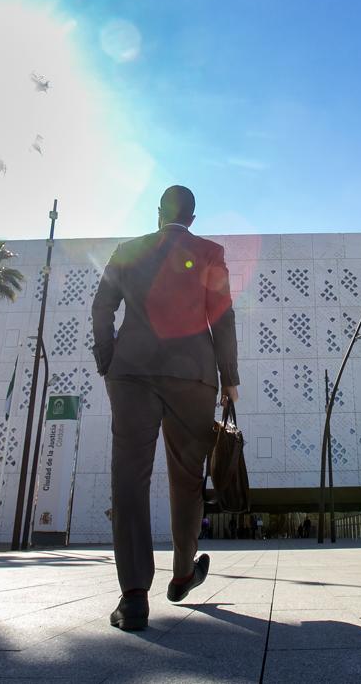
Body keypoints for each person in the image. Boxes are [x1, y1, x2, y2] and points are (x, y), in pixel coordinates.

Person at [91, 185, 240, 632]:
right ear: (192, 219)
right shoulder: (210, 252)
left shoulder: (127, 250)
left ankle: (134, 597)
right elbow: (223, 317)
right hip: (193, 376)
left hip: (131, 372)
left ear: (159, 214)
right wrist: (229, 379)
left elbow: (102, 306)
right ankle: (181, 573)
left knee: (130, 479)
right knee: (187, 478)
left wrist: (107, 358)